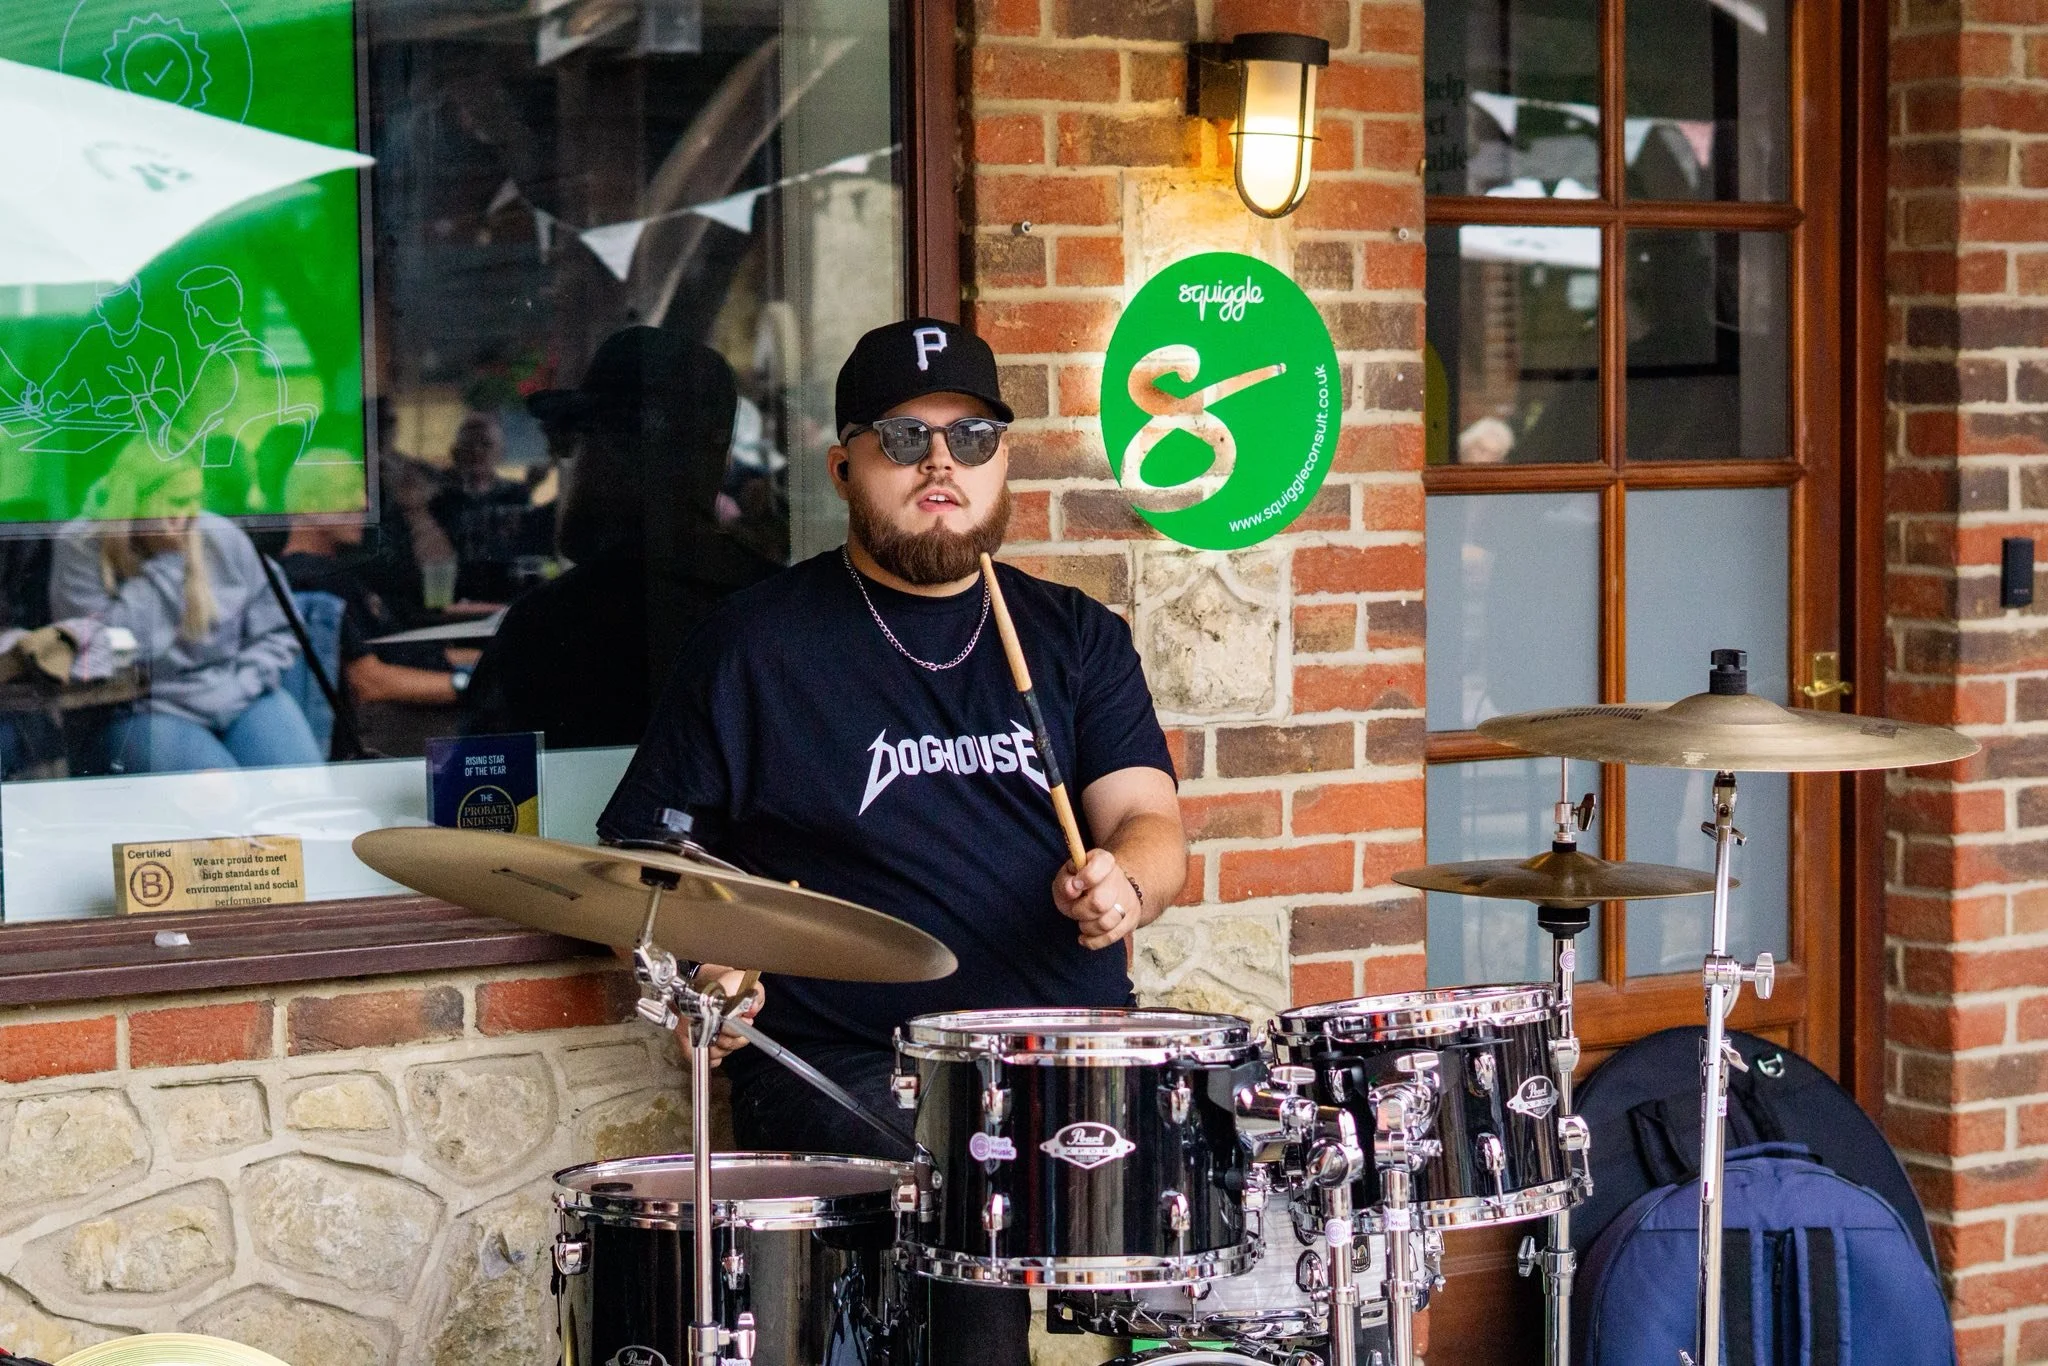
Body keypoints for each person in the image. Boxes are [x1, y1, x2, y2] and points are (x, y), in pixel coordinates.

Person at [598, 318, 1188, 1366]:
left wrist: (1125, 884)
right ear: (844, 468)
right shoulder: (755, 643)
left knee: (1234, 1195)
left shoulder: (1073, 636)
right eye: (904, 437)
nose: (939, 464)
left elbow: (1151, 825)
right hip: (853, 1063)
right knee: (958, 1193)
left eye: (971, 438)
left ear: (1002, 461)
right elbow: (648, 864)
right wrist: (710, 963)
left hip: (1061, 1053)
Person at [464, 326, 776, 749]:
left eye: (576, 442)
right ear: (718, 458)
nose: (567, 462)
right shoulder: (782, 609)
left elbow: (481, 780)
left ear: (610, 455)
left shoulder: (546, 628)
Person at [49, 445, 321, 773]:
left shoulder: (222, 537)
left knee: (298, 785)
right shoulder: (81, 544)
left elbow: (278, 630)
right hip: (143, 708)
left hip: (238, 689)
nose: (191, 514)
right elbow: (106, 650)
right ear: (135, 501)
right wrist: (168, 560)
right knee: (217, 793)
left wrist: (243, 684)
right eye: (177, 501)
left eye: (196, 498)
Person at [276, 460, 460, 711]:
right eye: (348, 490)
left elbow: (408, 653)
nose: (364, 503)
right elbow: (368, 682)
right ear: (309, 504)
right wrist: (472, 686)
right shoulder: (309, 580)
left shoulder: (339, 573)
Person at [428, 411, 541, 605]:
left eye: (486, 444)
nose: (477, 451)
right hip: (451, 600)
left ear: (500, 452)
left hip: (506, 597)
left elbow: (528, 552)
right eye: (469, 445)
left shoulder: (516, 495)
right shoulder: (439, 498)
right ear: (456, 452)